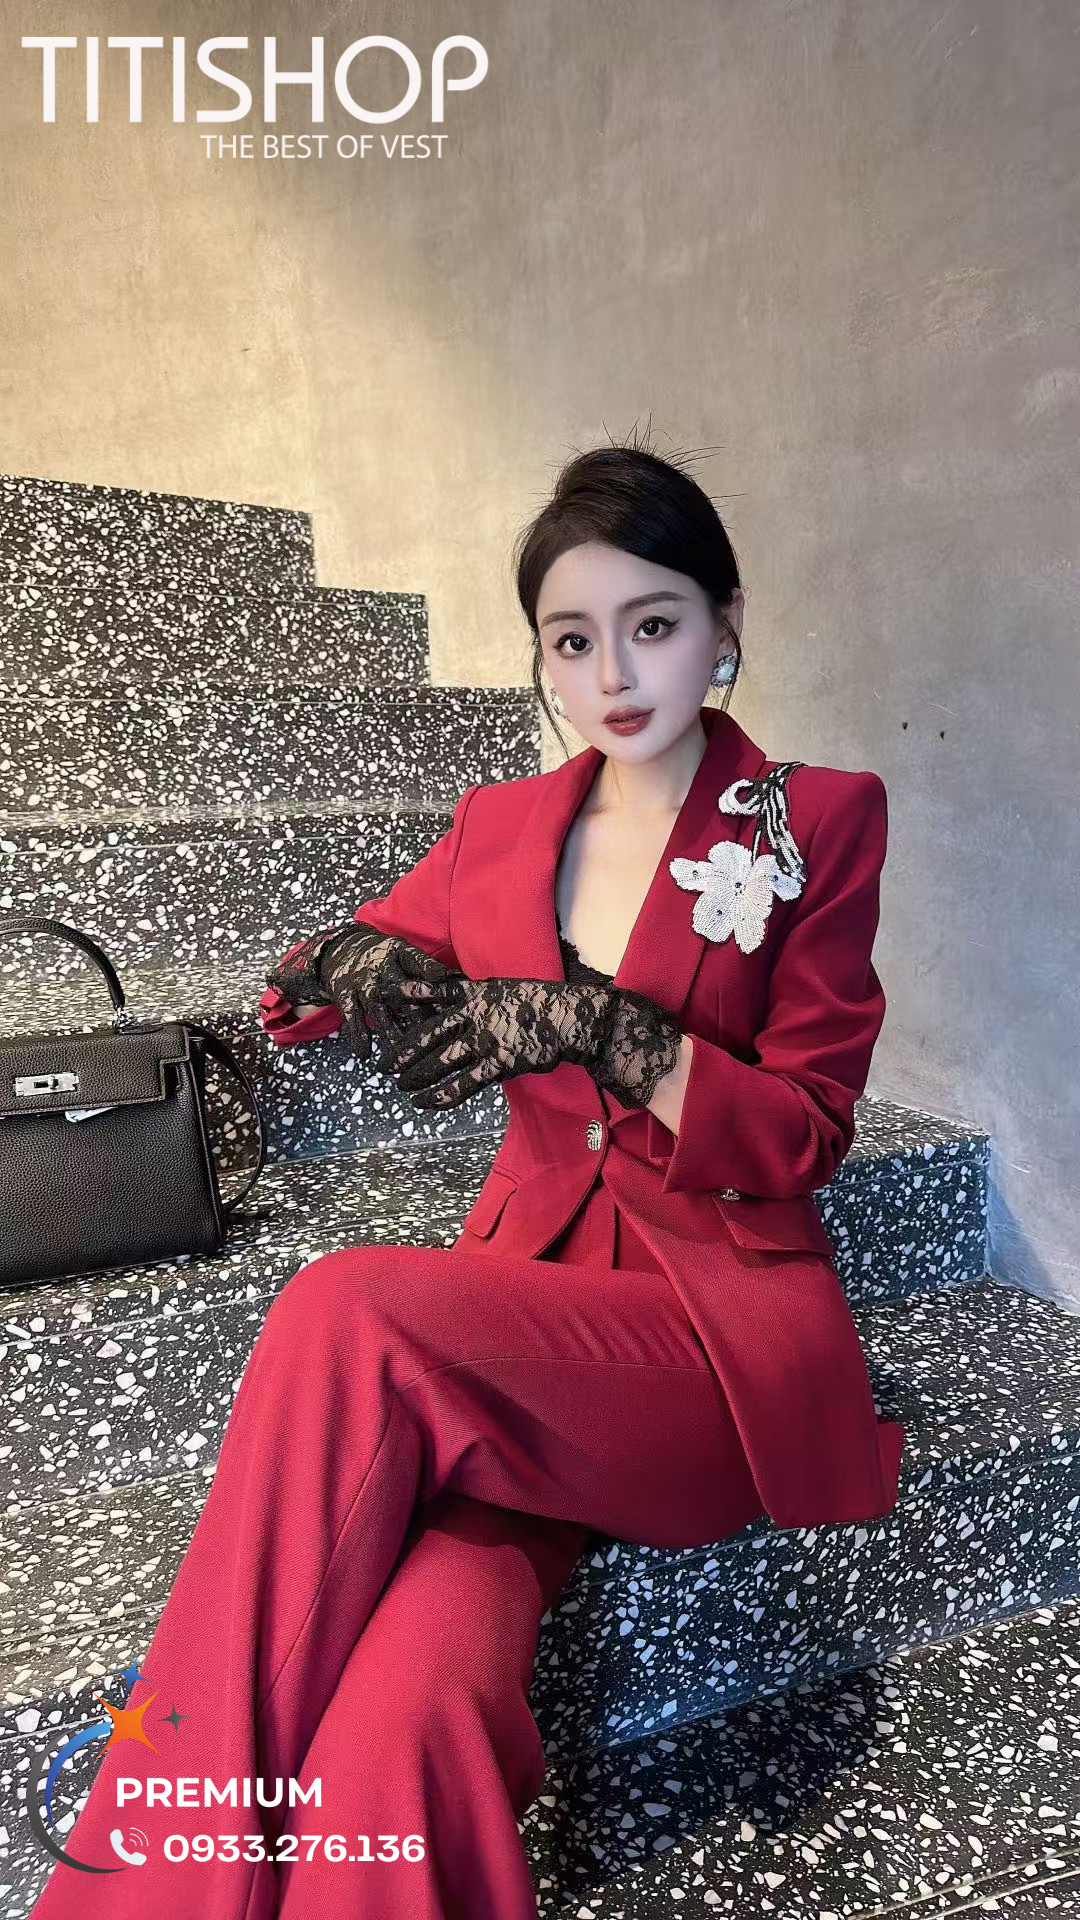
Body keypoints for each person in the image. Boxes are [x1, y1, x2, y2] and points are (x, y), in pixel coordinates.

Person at [28, 433, 905, 1920]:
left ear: (725, 624)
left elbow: (807, 1129)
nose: (614, 674)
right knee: (408, 1711)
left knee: (349, 1312)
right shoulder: (505, 829)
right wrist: (348, 964)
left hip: (701, 1349)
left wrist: (611, 1030)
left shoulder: (815, 819)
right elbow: (309, 980)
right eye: (573, 640)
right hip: (515, 1343)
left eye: (652, 624)